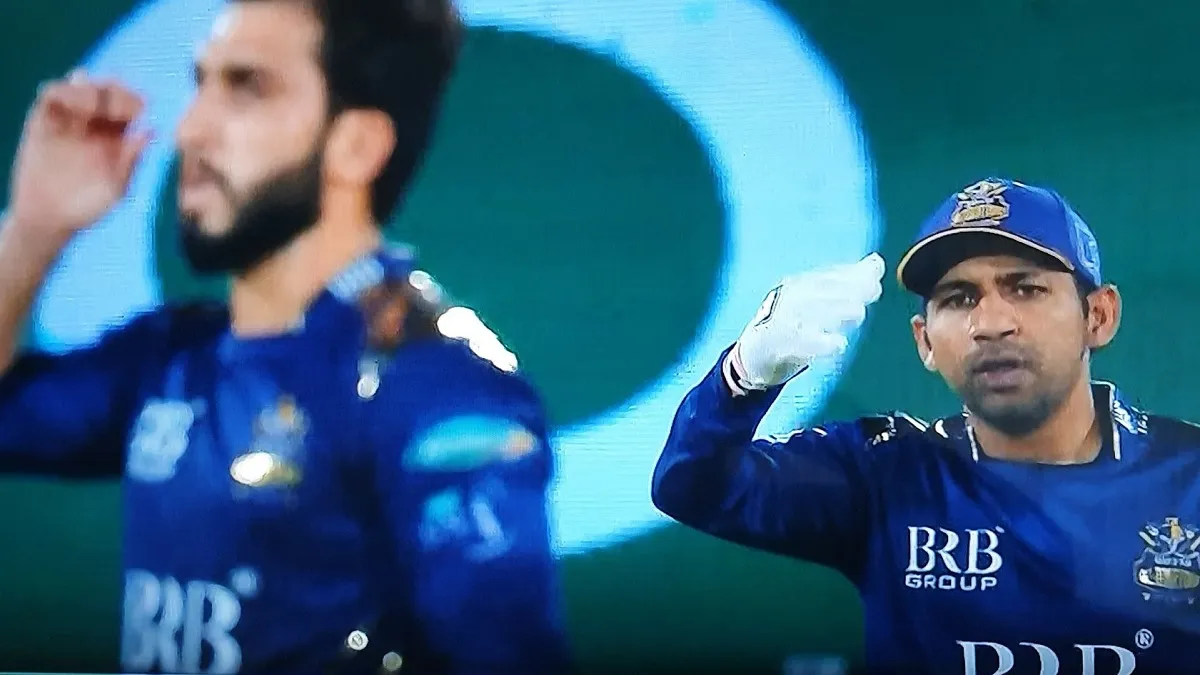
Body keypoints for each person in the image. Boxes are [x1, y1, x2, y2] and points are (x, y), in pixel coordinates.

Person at [0, 0, 570, 673]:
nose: (190, 129)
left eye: (247, 87)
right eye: (200, 84)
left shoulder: (438, 386)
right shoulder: (172, 355)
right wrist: (32, 228)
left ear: (356, 145)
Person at [652, 177, 1200, 674]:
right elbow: (688, 486)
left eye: (1025, 288)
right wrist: (742, 377)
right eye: (959, 298)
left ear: (1098, 316)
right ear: (925, 342)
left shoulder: (1190, 475)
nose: (990, 323)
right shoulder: (886, 473)